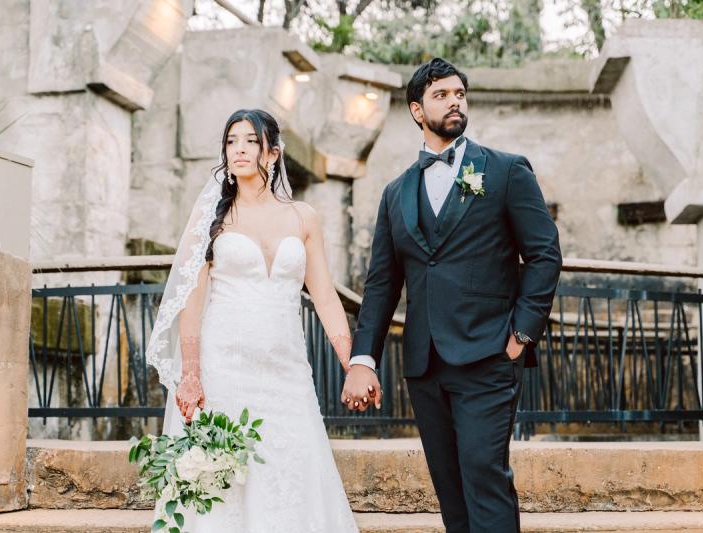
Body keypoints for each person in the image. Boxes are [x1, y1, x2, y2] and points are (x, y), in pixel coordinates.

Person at [343, 58, 562, 533]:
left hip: (489, 354)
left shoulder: (505, 171)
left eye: (459, 93)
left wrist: (522, 335)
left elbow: (544, 254)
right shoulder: (396, 193)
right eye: (441, 95)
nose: (454, 102)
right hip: (424, 364)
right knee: (450, 487)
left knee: (485, 476)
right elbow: (382, 283)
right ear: (417, 110)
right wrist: (363, 358)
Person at [146, 108, 358, 532]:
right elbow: (192, 299)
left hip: (287, 368)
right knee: (226, 477)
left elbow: (325, 297)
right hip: (223, 363)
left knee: (293, 464)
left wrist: (353, 364)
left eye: (250, 141)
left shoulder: (303, 217)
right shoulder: (212, 218)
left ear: (273, 153)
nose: (238, 149)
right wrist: (191, 373)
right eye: (231, 141)